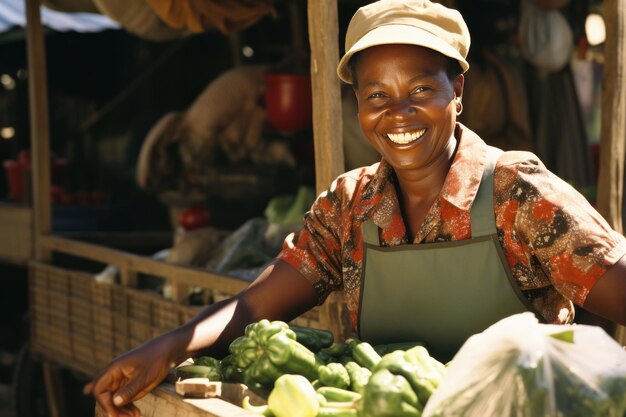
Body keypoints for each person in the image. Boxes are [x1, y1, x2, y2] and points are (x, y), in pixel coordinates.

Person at [84, 1, 626, 416]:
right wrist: (169, 346)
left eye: (420, 89)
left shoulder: (516, 194)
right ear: (360, 107)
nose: (399, 113)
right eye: (377, 96)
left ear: (456, 90)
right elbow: (252, 309)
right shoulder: (350, 206)